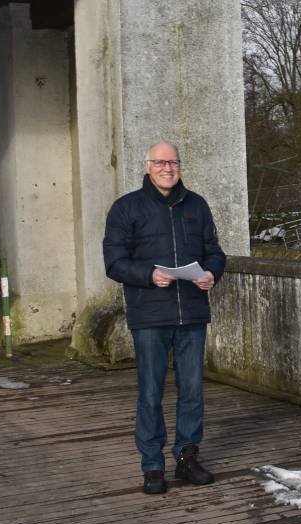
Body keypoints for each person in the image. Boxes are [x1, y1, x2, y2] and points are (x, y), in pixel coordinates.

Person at [103, 142, 226, 495]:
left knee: (192, 391)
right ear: (147, 166)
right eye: (159, 162)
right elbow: (114, 262)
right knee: (150, 392)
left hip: (192, 313)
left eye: (172, 162)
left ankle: (187, 457)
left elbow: (215, 253)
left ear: (180, 166)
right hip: (150, 315)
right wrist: (148, 275)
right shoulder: (126, 207)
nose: (167, 168)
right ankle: (153, 465)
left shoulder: (197, 205)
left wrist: (211, 273)